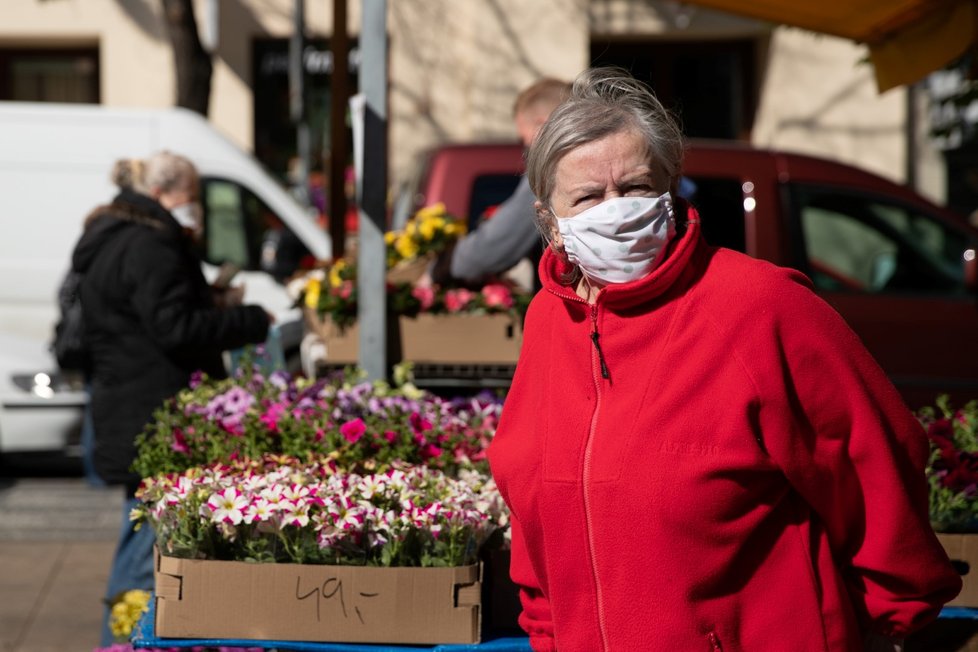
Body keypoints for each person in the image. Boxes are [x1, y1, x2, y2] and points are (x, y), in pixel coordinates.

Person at [487, 67, 961, 652]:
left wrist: (891, 623)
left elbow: (875, 461)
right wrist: (550, 635)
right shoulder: (547, 322)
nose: (617, 209)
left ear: (671, 188)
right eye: (588, 196)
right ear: (550, 225)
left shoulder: (762, 306)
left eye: (636, 187)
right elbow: (530, 497)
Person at [71, 151, 271, 645]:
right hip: (151, 414)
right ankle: (120, 643)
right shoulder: (151, 244)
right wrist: (247, 319)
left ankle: (121, 639)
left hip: (128, 406)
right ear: (163, 194)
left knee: (142, 538)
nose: (196, 209)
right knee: (144, 550)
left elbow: (150, 318)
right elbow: (174, 328)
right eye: (192, 197)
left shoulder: (116, 234)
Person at [432, 78, 571, 292]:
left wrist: (445, 266)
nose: (525, 147)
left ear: (542, 126)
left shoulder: (553, 166)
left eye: (525, 138)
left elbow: (494, 245)